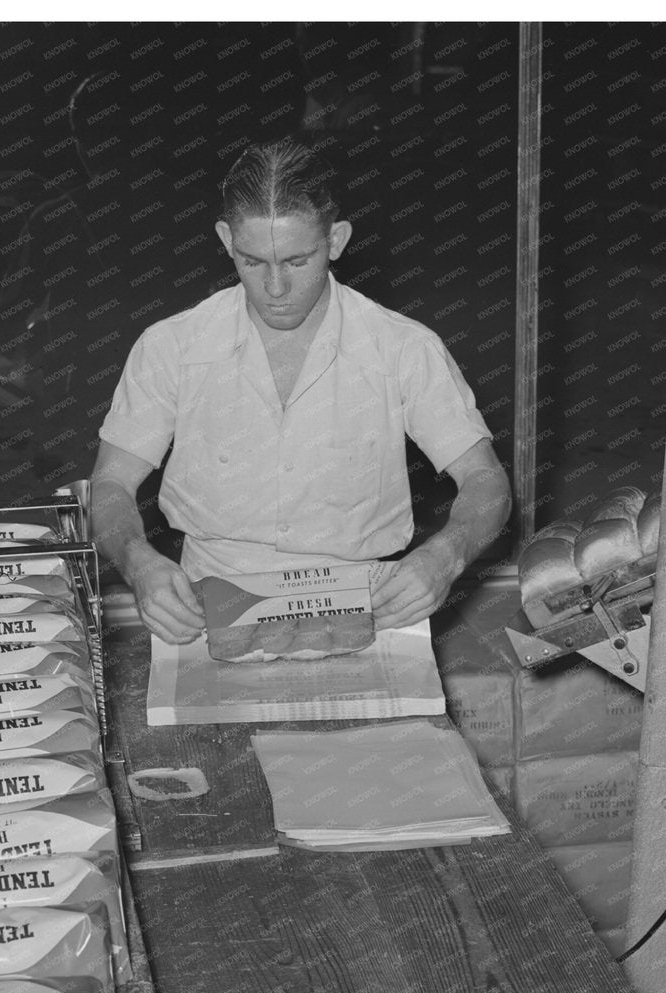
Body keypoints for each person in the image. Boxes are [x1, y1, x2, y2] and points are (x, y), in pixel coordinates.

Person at [90, 138, 510, 643]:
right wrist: (139, 564)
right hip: (209, 604)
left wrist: (445, 557)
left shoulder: (402, 348)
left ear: (335, 241)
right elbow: (109, 487)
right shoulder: (172, 347)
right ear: (226, 240)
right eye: (252, 262)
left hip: (370, 604)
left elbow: (486, 483)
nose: (275, 288)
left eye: (296, 261)